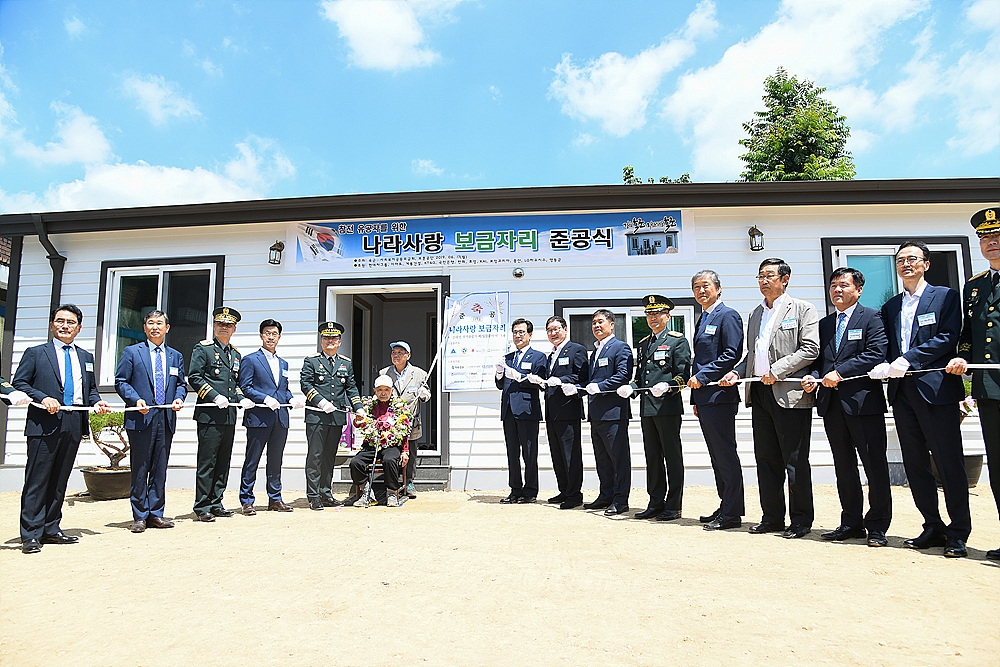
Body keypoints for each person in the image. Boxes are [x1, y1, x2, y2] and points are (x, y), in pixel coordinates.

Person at [871, 241, 969, 557]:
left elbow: (947, 337)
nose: (906, 264)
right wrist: (884, 364)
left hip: (936, 390)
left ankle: (958, 533)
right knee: (915, 463)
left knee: (948, 461)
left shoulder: (945, 297)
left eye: (912, 259)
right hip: (903, 394)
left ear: (926, 263)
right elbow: (887, 346)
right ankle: (933, 526)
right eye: (900, 260)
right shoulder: (890, 306)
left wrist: (908, 359)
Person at [720, 258, 819, 539]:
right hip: (760, 394)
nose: (764, 281)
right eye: (760, 276)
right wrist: (736, 373)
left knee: (795, 460)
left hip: (788, 393)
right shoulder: (755, 314)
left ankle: (800, 520)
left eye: (770, 276)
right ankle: (772, 517)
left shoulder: (802, 309)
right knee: (766, 459)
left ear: (785, 279)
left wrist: (777, 370)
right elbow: (752, 356)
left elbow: (810, 349)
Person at [801, 268, 891, 547]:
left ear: (859, 289)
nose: (837, 290)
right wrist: (813, 377)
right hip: (832, 405)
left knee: (874, 465)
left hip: (863, 403)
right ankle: (850, 522)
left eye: (843, 285)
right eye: (833, 286)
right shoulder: (826, 324)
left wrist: (840, 373)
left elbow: (876, 353)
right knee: (844, 466)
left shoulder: (872, 317)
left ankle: (877, 526)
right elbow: (819, 361)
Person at [13, 304, 111, 554]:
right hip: (43, 423)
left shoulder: (86, 358)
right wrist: (43, 397)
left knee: (59, 480)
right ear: (52, 324)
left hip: (73, 422)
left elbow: (89, 390)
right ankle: (31, 534)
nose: (65, 326)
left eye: (70, 322)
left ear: (79, 327)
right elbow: (20, 383)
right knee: (37, 479)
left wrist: (97, 401)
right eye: (60, 321)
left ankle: (51, 528)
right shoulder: (35, 353)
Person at [947, 207, 1000, 560]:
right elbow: (970, 335)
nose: (990, 243)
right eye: (984, 238)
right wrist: (963, 358)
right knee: (997, 468)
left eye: (996, 236)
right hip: (989, 388)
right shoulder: (976, 285)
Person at [114, 310, 188, 533]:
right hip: (141, 418)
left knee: (159, 468)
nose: (155, 327)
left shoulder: (175, 356)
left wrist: (179, 397)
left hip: (165, 418)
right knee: (140, 467)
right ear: (145, 328)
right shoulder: (131, 352)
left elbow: (182, 384)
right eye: (150, 323)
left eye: (160, 323)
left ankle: (156, 513)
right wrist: (135, 399)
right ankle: (139, 515)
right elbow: (121, 381)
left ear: (167, 328)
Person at [622, 295, 690, 521]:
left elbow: (683, 375)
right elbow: (640, 378)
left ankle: (674, 505)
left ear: (667, 316)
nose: (653, 318)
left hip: (667, 407)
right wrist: (630, 387)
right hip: (647, 408)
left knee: (672, 457)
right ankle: (655, 502)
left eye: (657, 314)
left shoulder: (677, 341)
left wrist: (669, 386)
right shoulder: (643, 344)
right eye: (649, 314)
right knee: (652, 457)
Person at [687, 270, 746, 531]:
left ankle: (732, 513)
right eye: (697, 287)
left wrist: (702, 377)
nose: (701, 291)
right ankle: (725, 504)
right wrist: (695, 397)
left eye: (706, 286)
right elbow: (698, 358)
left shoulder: (728, 315)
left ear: (718, 289)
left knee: (725, 453)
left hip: (720, 394)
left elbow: (731, 354)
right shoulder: (703, 318)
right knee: (715, 455)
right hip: (705, 396)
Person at [188, 306, 253, 522]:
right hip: (209, 414)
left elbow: (234, 383)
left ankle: (216, 501)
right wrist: (214, 396)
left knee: (223, 461)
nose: (223, 328)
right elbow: (195, 378)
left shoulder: (235, 354)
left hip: (228, 415)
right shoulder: (203, 349)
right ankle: (202, 505)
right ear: (214, 326)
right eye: (220, 324)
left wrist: (241, 397)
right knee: (207, 461)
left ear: (234, 328)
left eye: (228, 325)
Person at [237, 319, 300, 515]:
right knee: (252, 459)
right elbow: (245, 387)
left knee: (276, 460)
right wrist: (264, 398)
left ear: (279, 337)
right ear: (261, 336)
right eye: (267, 333)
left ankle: (275, 497)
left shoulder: (283, 363)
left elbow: (283, 389)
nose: (271, 337)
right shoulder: (250, 359)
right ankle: (247, 500)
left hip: (280, 417)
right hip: (259, 417)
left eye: (274, 334)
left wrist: (291, 399)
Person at [301, 321, 364, 511]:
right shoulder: (311, 361)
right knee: (315, 456)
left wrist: (359, 407)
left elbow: (350, 387)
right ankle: (313, 495)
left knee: (330, 456)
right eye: (326, 338)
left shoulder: (345, 363)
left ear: (340, 341)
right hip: (317, 416)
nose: (330, 341)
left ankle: (326, 493)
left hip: (336, 417)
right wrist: (320, 401)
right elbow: (305, 384)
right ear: (321, 340)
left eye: (334, 338)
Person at [579, 309, 634, 516]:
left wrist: (600, 386)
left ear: (612, 324)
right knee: (602, 458)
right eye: (593, 323)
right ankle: (606, 495)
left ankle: (621, 500)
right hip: (596, 413)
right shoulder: (595, 351)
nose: (596, 326)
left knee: (618, 458)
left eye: (600, 322)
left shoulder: (620, 347)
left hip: (613, 412)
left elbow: (623, 375)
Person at [495, 318, 546, 504]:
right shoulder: (507, 358)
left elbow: (540, 382)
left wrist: (520, 377)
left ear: (530, 335)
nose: (518, 335)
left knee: (529, 452)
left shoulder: (538, 356)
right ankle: (515, 489)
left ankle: (530, 491)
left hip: (527, 410)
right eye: (515, 332)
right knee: (512, 453)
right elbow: (501, 384)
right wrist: (499, 372)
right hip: (508, 410)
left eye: (521, 332)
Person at [540, 316, 589, 510]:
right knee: (557, 454)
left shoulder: (577, 349)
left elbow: (582, 376)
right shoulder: (550, 355)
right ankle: (564, 489)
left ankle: (575, 494)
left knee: (570, 454)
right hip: (552, 411)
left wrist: (561, 381)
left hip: (569, 410)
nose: (553, 333)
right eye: (549, 330)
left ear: (565, 329)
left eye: (556, 329)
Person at [348, 375, 412, 507]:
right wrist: (357, 420)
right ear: (375, 391)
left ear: (392, 391)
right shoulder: (368, 406)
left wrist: (405, 451)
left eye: (386, 390)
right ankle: (367, 492)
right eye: (380, 390)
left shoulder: (399, 407)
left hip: (391, 444)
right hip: (371, 444)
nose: (383, 393)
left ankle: (392, 492)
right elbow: (359, 424)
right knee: (355, 462)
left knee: (389, 460)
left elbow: (405, 431)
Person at [378, 340, 430, 499]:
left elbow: (427, 396)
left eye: (400, 353)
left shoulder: (420, 373)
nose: (396, 356)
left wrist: (424, 394)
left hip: (411, 421)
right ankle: (392, 480)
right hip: (390, 421)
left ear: (408, 356)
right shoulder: (384, 373)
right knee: (392, 450)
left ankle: (409, 481)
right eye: (394, 353)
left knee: (411, 452)